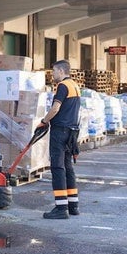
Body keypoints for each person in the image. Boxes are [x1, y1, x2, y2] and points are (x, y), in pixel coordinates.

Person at [36, 60, 81, 219]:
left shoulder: (63, 86)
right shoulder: (75, 86)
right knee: (68, 167)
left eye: (54, 71)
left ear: (61, 71)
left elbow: (56, 108)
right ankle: (72, 205)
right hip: (71, 132)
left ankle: (61, 208)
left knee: (58, 167)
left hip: (60, 131)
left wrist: (44, 121)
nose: (53, 74)